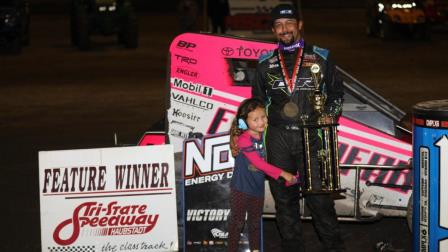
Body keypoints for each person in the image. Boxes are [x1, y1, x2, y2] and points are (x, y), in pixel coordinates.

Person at [251, 3, 346, 252]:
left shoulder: (322, 56)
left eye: (289, 24)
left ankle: (334, 247)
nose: (285, 30)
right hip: (278, 139)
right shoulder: (264, 62)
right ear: (273, 30)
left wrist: (330, 114)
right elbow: (257, 103)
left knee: (320, 201)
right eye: (279, 26)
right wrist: (245, 131)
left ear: (299, 25)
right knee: (284, 202)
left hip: (313, 137)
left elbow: (336, 93)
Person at [227, 98, 298, 252]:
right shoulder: (244, 139)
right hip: (240, 189)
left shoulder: (266, 135)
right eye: (255, 119)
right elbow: (259, 163)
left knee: (255, 224)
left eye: (263, 117)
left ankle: (255, 250)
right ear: (244, 121)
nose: (261, 122)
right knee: (237, 223)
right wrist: (283, 174)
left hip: (257, 190)